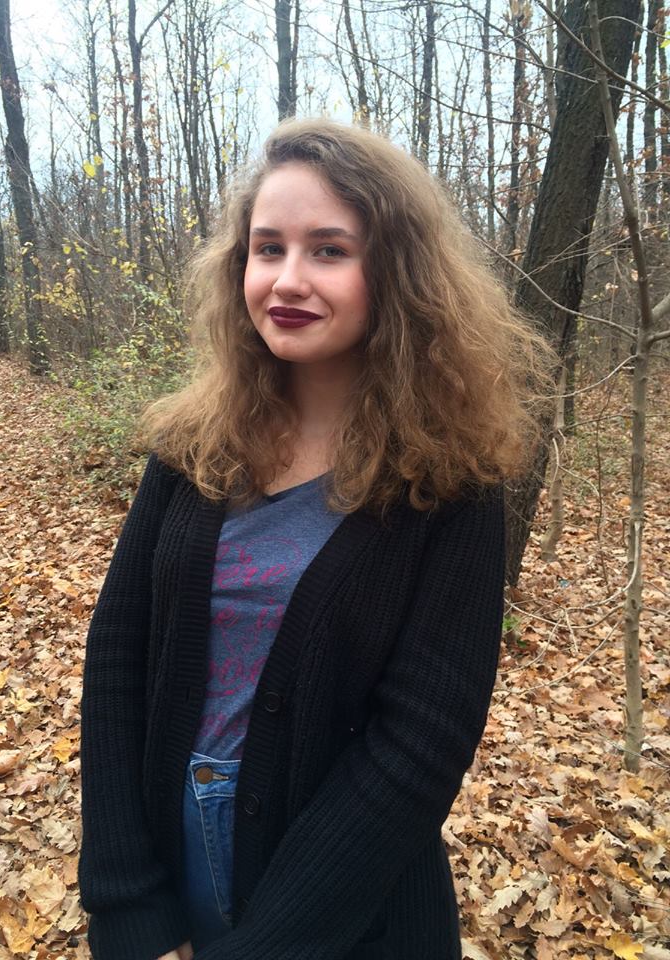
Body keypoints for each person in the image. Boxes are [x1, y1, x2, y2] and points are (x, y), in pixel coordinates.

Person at [78, 118, 553, 960]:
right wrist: (127, 904)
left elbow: (421, 742)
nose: (288, 279)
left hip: (346, 909)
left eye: (329, 250)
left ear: (396, 272)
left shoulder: (452, 479)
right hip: (171, 870)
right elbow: (118, 655)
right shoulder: (193, 445)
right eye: (269, 248)